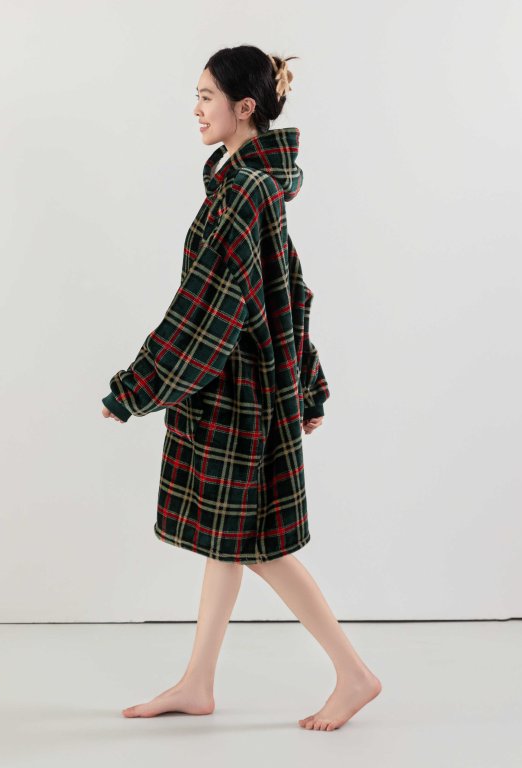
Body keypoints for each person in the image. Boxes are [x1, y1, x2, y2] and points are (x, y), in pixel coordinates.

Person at [101, 46, 381, 731]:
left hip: (238, 393)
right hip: (240, 385)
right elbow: (288, 287)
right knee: (228, 543)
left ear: (244, 107)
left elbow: (211, 305)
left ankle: (354, 675)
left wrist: (137, 386)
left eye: (206, 97)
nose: (196, 110)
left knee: (261, 547)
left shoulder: (246, 190)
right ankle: (198, 682)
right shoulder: (248, 183)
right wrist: (308, 386)